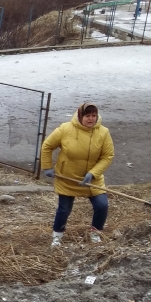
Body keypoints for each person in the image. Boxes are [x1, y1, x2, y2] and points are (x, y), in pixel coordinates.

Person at [41, 102, 115, 247]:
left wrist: (93, 173)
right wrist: (47, 166)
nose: (91, 119)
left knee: (102, 206)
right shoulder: (65, 129)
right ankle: (57, 236)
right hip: (68, 178)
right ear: (80, 115)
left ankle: (95, 233)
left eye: (94, 115)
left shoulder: (103, 132)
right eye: (87, 115)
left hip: (92, 180)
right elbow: (47, 146)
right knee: (64, 209)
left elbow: (108, 156)